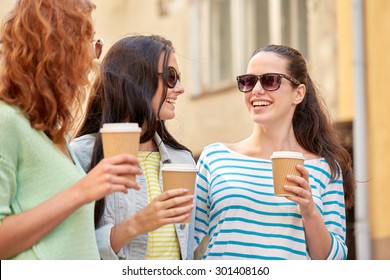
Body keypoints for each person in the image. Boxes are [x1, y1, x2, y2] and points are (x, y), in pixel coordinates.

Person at [0, 0, 143, 260]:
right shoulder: (6, 120)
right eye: (88, 41)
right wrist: (82, 191)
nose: (93, 57)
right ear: (58, 48)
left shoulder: (53, 130)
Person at [194, 44, 355, 260]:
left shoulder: (325, 168)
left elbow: (333, 262)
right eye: (248, 81)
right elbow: (183, 239)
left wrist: (309, 210)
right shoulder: (214, 158)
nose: (257, 90)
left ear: (298, 93)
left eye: (270, 80)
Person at [70, 35, 196, 260]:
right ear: (136, 81)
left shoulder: (182, 160)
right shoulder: (82, 155)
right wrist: (138, 223)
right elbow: (70, 248)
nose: (180, 88)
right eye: (171, 77)